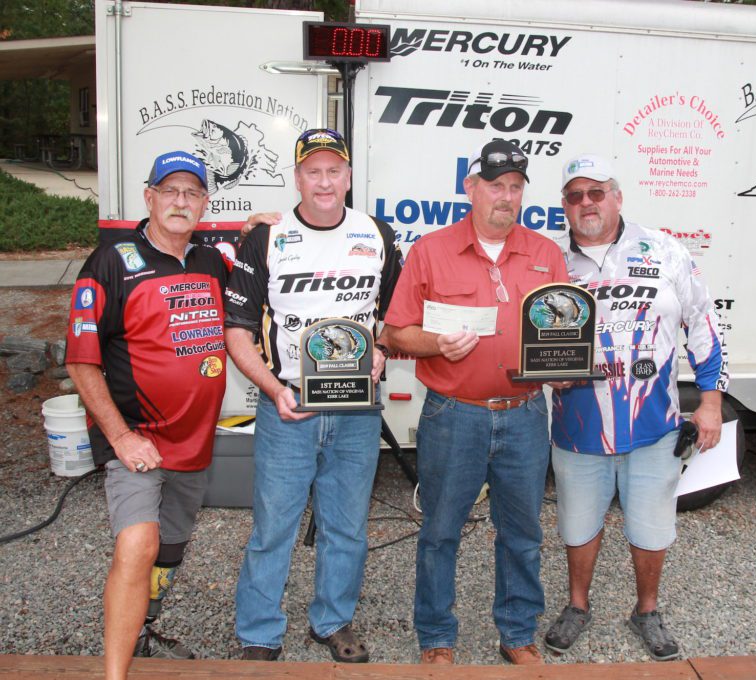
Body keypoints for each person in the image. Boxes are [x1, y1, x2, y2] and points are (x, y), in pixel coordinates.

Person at [382, 139, 568, 665]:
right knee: (441, 531)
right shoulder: (431, 250)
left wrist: (567, 369)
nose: (506, 197)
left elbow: (566, 329)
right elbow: (396, 332)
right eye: (495, 186)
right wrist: (435, 343)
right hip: (452, 413)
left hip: (526, 414)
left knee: (523, 532)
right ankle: (437, 637)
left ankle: (517, 633)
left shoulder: (545, 253)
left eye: (515, 187)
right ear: (470, 188)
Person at [224, 128, 402, 663]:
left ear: (348, 176)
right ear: (297, 177)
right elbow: (236, 331)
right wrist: (273, 390)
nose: (324, 181)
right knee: (273, 526)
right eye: (313, 171)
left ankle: (332, 621)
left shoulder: (377, 233)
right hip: (290, 404)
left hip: (356, 406)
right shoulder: (265, 239)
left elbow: (395, 317)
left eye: (334, 171)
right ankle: (259, 632)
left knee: (346, 526)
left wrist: (383, 352)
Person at [544, 154, 726, 661]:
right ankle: (577, 606)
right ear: (565, 205)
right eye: (575, 195)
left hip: (654, 426)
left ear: (617, 197)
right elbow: (527, 335)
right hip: (578, 425)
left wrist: (710, 402)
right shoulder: (548, 258)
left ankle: (646, 610)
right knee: (577, 524)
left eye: (596, 192)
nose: (587, 203)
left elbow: (704, 327)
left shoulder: (664, 249)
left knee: (650, 526)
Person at [65, 151, 229, 679]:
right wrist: (119, 436)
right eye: (170, 191)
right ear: (149, 197)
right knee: (139, 544)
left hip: (195, 444)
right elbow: (80, 359)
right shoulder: (111, 262)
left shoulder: (212, 261)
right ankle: (116, 674)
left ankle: (144, 627)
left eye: (192, 193)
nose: (181, 202)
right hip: (138, 440)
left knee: (169, 552)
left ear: (204, 203)